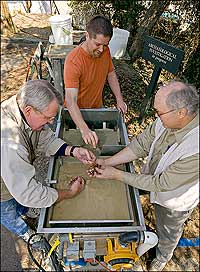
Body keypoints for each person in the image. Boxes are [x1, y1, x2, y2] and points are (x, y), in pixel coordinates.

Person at [88, 80, 199, 271]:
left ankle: (162, 257)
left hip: (175, 199)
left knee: (168, 230)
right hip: (152, 178)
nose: (156, 116)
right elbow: (141, 145)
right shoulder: (168, 119)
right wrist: (107, 162)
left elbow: (162, 183)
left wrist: (116, 174)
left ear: (181, 112)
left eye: (159, 112)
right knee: (133, 186)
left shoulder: (196, 147)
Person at [1, 79, 96, 244]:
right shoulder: (11, 142)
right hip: (2, 189)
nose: (51, 123)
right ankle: (28, 234)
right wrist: (68, 193)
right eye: (48, 118)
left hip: (12, 173)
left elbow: (45, 138)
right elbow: (27, 192)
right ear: (29, 110)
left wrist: (73, 151)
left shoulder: (22, 107)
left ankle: (26, 210)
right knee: (8, 211)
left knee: (20, 202)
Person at [64, 15, 127, 148]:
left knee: (98, 147)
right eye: (97, 44)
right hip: (76, 115)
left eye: (105, 45)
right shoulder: (74, 61)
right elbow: (70, 100)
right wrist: (84, 129)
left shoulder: (105, 51)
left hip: (97, 108)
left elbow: (111, 74)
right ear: (87, 36)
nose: (101, 49)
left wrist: (119, 99)